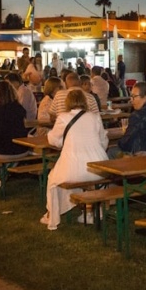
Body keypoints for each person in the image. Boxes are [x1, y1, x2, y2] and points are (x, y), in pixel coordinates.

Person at [40, 90, 109, 230]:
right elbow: (103, 140)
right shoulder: (95, 117)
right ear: (85, 101)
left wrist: (64, 143)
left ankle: (51, 215)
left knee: (53, 177)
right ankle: (89, 212)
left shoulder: (63, 117)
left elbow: (53, 139)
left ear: (68, 102)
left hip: (73, 167)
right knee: (88, 181)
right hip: (98, 166)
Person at [108, 82, 146, 158]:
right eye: (131, 97)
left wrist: (118, 143)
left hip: (144, 156)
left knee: (111, 151)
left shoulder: (138, 115)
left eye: (134, 97)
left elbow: (126, 142)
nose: (131, 100)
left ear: (145, 98)